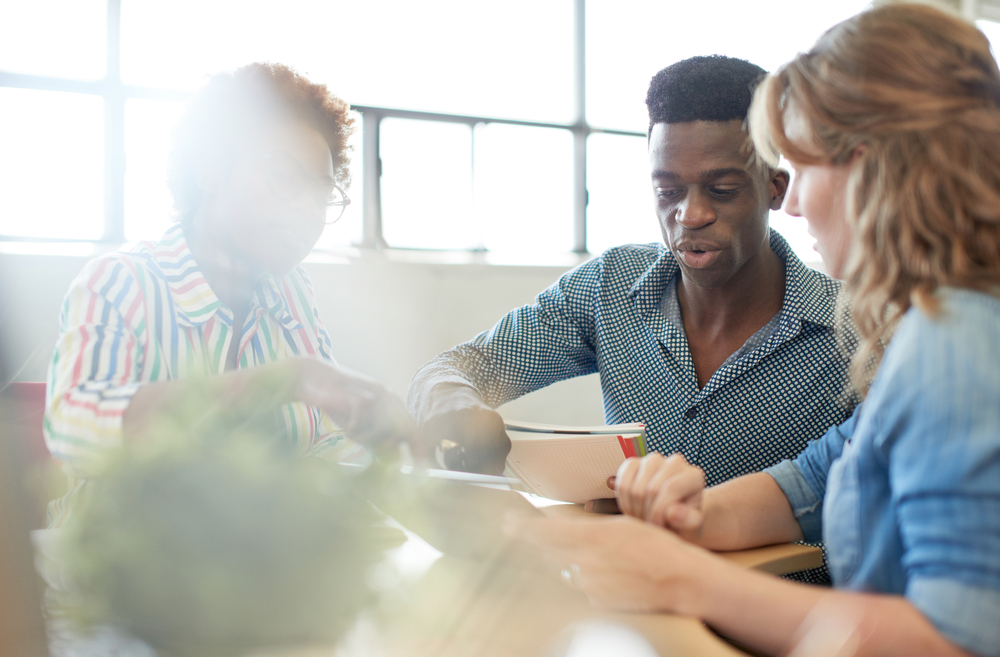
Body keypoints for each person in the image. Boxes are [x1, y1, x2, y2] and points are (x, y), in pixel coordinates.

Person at [512, 5, 1000, 656]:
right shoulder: (937, 325)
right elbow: (812, 478)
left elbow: (956, 640)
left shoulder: (958, 340)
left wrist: (689, 580)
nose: (792, 203)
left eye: (802, 171)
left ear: (869, 170)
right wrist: (695, 515)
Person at [409, 55, 854, 484]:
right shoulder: (610, 286)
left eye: (721, 190)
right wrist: (451, 400)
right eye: (668, 192)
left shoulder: (856, 329)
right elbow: (461, 366)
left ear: (775, 189)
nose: (691, 214)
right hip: (630, 562)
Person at [45, 63, 415, 524]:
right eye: (286, 176)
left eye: (323, 193)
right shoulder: (120, 282)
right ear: (211, 171)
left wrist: (389, 463)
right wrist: (282, 380)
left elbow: (320, 442)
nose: (308, 211)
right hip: (119, 579)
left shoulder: (292, 293)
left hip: (249, 579)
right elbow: (72, 433)